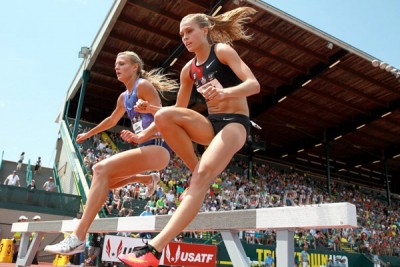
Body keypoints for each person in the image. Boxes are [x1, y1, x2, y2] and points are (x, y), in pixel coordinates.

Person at [118, 7, 260, 266]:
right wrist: (150, 112)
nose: (184, 37)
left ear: (205, 31)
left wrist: (225, 94)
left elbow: (254, 85)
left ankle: (154, 249)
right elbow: (175, 114)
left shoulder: (223, 52)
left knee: (201, 179)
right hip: (209, 125)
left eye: (189, 31)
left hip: (235, 124)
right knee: (164, 116)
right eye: (181, 34)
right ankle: (196, 171)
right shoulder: (188, 70)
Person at [44, 50, 177, 255]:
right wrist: (89, 133)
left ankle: (78, 236)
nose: (116, 67)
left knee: (99, 169)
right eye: (116, 64)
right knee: (109, 182)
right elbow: (112, 120)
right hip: (146, 148)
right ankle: (147, 179)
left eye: (122, 63)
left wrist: (146, 114)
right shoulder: (124, 97)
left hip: (159, 147)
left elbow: (162, 115)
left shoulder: (143, 86)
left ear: (135, 67)